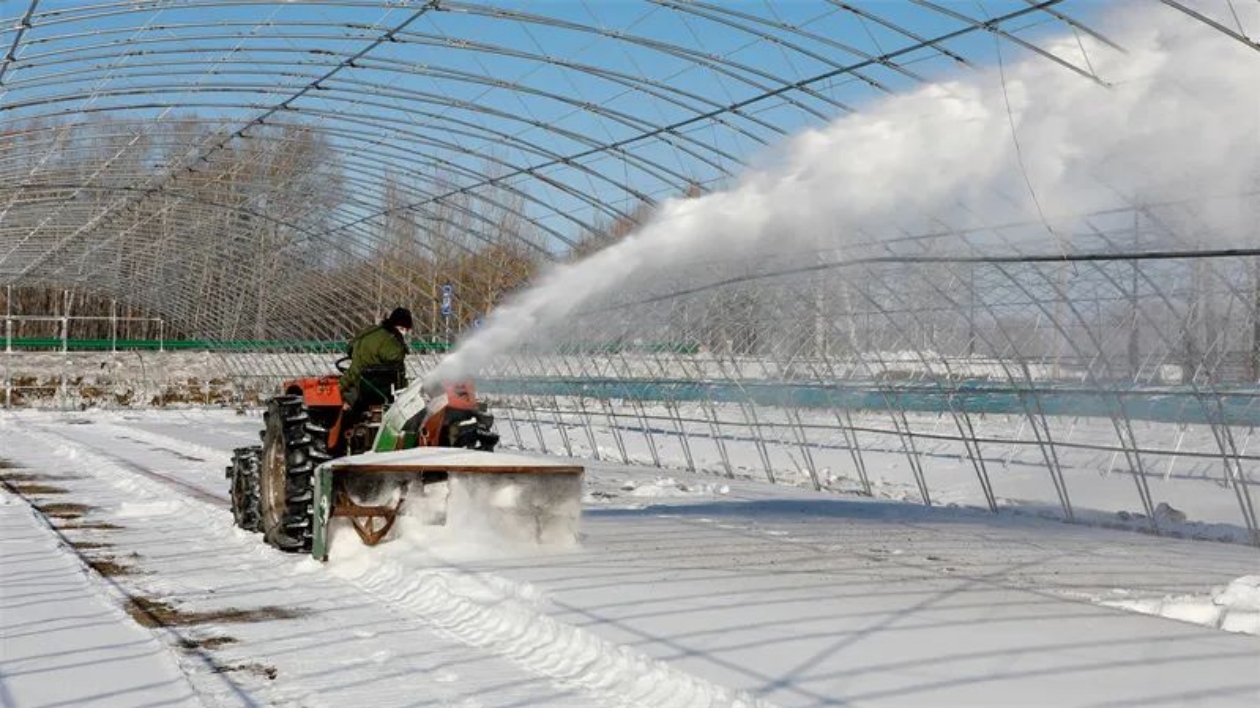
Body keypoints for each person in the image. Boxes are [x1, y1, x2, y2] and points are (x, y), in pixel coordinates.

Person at [340, 307, 412, 413]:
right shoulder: (392, 342)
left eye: (406, 330)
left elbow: (350, 349)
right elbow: (397, 368)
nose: (404, 332)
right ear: (394, 325)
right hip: (373, 389)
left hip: (354, 381)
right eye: (402, 328)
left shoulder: (371, 331)